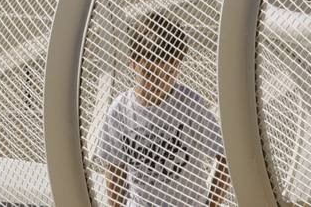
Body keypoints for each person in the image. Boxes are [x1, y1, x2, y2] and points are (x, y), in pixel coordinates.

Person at [94, 13, 230, 207]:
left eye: (169, 73)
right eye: (150, 72)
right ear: (133, 62)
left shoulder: (189, 105)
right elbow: (115, 168)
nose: (159, 82)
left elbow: (225, 156)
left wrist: (212, 204)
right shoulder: (120, 111)